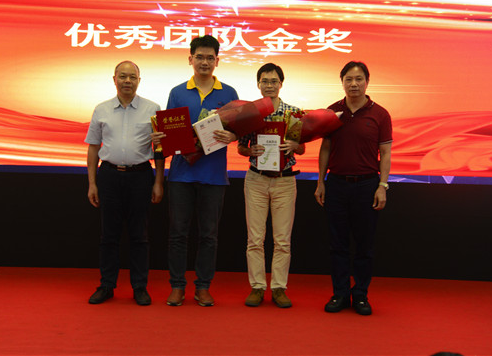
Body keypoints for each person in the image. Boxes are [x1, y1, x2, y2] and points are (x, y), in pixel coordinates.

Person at [152, 35, 239, 307]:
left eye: (210, 58)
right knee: (178, 233)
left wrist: (233, 136)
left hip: (214, 175)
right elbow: (169, 132)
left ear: (217, 61)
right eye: (199, 57)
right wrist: (161, 137)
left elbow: (239, 128)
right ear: (190, 59)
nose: (204, 62)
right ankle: (177, 286)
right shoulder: (178, 92)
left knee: (209, 236)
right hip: (181, 174)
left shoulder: (229, 93)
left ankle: (203, 286)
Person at [314, 60, 392, 316]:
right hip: (336, 184)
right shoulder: (332, 112)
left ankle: (360, 295)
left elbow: (385, 153)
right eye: (348, 79)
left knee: (364, 246)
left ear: (367, 82)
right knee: (337, 244)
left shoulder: (380, 114)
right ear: (342, 82)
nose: (354, 84)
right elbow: (325, 148)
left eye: (359, 79)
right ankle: (339, 294)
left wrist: (382, 186)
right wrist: (321, 182)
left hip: (367, 185)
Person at [85, 60, 165, 306]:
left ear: (139, 80)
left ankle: (139, 287)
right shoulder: (101, 109)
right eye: (123, 76)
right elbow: (93, 147)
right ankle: (106, 285)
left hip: (140, 176)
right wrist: (92, 183)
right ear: (114, 79)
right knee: (108, 235)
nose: (127, 81)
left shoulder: (153, 109)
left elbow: (160, 149)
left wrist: (158, 182)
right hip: (109, 176)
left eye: (132, 77)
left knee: (139, 235)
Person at [237, 63, 304, 308]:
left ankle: (278, 288)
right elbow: (241, 147)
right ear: (258, 84)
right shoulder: (250, 113)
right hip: (256, 179)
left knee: (282, 240)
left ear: (281, 84)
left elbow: (301, 147)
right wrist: (250, 151)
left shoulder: (294, 113)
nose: (269, 85)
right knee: (255, 238)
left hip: (284, 181)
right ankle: (257, 287)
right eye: (265, 81)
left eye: (274, 81)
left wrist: (294, 145)